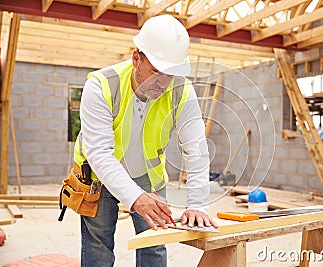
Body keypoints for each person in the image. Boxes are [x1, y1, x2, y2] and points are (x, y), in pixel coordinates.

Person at [74, 14, 217, 266]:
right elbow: (99, 153)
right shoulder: (101, 86)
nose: (162, 83)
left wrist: (198, 204)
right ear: (136, 58)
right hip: (98, 175)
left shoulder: (181, 90)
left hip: (148, 177)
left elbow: (196, 150)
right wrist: (136, 198)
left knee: (154, 244)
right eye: (156, 72)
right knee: (99, 246)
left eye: (169, 74)